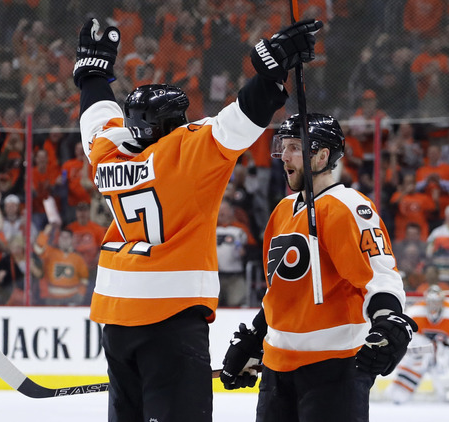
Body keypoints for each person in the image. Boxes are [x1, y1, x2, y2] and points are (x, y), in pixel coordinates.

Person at [73, 17, 323, 422]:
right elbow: (240, 120)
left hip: (115, 317)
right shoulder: (184, 154)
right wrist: (271, 73)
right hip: (169, 317)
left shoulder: (108, 152)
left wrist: (92, 73)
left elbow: (96, 116)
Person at [219, 113, 417, 422]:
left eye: (295, 147)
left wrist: (388, 319)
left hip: (334, 368)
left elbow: (379, 276)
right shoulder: (283, 210)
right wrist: (256, 338)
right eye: (283, 146)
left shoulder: (347, 206)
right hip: (277, 368)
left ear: (323, 155)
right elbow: (280, 291)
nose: (284, 155)